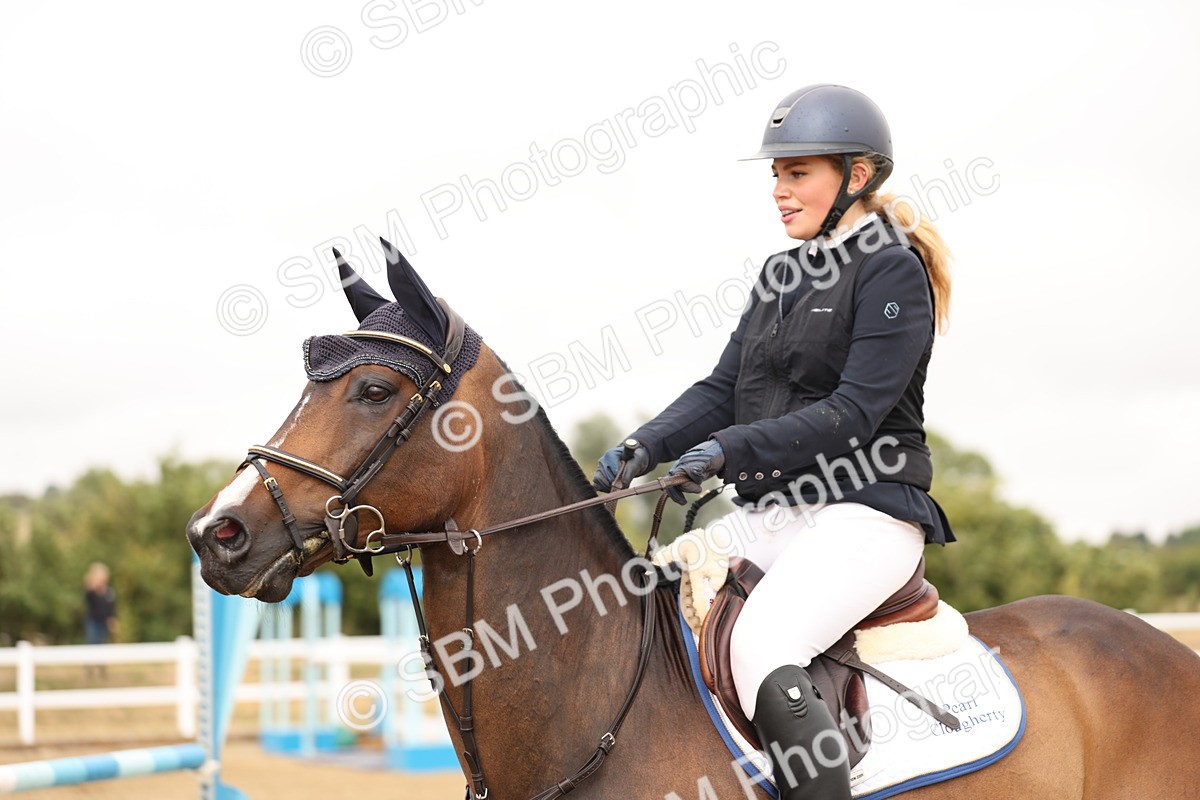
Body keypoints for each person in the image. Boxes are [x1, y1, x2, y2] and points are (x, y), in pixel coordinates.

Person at [593, 84, 954, 800]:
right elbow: (725, 387)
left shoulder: (891, 269)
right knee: (644, 606)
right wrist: (647, 444)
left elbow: (852, 413)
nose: (780, 192)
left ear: (857, 175)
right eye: (776, 176)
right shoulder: (781, 274)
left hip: (866, 515)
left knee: (763, 645)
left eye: (798, 174)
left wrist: (729, 451)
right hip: (776, 516)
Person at [83, 562, 117, 677]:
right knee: (92, 643)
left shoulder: (109, 592)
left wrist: (112, 619)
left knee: (102, 645)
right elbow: (88, 598)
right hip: (93, 621)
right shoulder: (92, 592)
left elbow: (112, 607)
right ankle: (89, 670)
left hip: (104, 622)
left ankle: (102, 670)